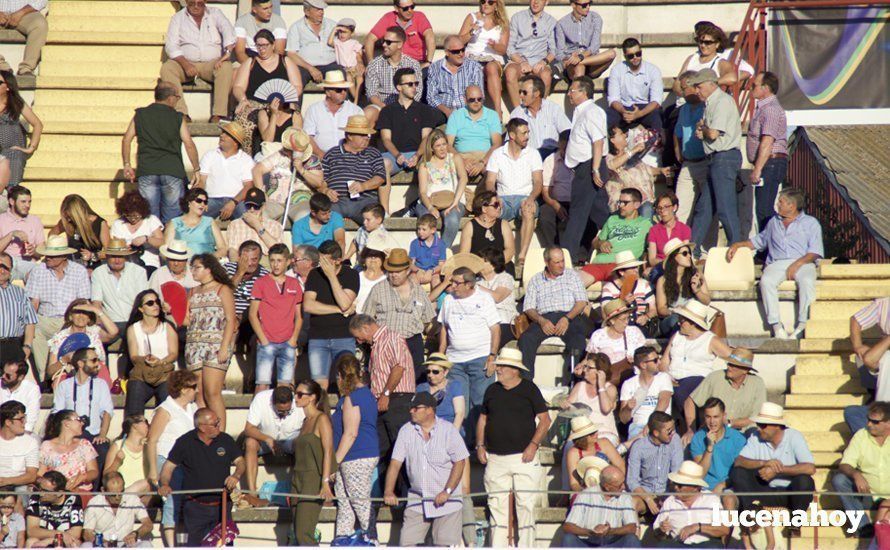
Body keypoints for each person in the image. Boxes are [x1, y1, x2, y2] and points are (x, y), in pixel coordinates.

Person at [477, 348, 551, 547]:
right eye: (498, 365)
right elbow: (482, 420)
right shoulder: (491, 390)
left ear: (514, 369)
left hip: (523, 457)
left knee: (526, 506)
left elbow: (545, 420)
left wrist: (533, 445)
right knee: (496, 508)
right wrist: (480, 445)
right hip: (495, 457)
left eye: (502, 366)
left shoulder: (529, 389)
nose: (498, 369)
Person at [726, 187, 822, 339]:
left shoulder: (811, 223)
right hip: (777, 263)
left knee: (807, 281)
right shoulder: (773, 222)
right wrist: (738, 245)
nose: (777, 205)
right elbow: (758, 241)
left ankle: (803, 325)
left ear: (792, 205)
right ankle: (776, 325)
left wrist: (796, 265)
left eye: (781, 202)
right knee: (766, 282)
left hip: (803, 262)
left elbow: (815, 251)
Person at [383, 391, 469, 546]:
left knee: (443, 546)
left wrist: (447, 491)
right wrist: (389, 490)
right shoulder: (406, 431)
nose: (411, 411)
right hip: (417, 500)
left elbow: (460, 462)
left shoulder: (449, 431)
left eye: (416, 408)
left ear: (430, 410)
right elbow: (395, 463)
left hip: (448, 503)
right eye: (411, 407)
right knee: (406, 544)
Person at [158, 408, 245, 547]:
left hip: (222, 506)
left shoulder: (225, 439)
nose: (219, 425)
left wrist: (236, 475)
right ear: (202, 427)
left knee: (224, 546)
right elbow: (168, 468)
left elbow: (240, 462)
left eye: (218, 422)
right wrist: (164, 484)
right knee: (195, 547)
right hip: (195, 508)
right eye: (215, 424)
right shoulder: (184, 442)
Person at [348, 315, 415, 485]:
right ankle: (390, 492)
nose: (359, 340)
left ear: (365, 328)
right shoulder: (375, 346)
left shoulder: (392, 338)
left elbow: (399, 367)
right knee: (384, 450)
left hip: (397, 399)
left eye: (358, 336)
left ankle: (409, 492)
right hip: (381, 401)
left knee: (400, 447)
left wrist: (385, 393)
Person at [121, 81, 200, 225]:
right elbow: (189, 144)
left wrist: (127, 164)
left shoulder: (141, 114)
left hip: (147, 170)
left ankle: (152, 246)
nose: (177, 100)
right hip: (172, 171)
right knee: (172, 219)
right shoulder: (177, 117)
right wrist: (196, 169)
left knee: (150, 218)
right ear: (170, 98)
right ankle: (168, 246)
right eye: (177, 97)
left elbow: (126, 139)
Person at [438, 266, 500, 435]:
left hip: (480, 358)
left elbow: (495, 329)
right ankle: (463, 445)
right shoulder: (449, 300)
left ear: (469, 284)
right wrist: (441, 355)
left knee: (480, 403)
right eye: (452, 282)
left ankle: (479, 443)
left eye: (456, 283)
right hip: (455, 361)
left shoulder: (485, 299)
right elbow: (444, 328)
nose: (452, 286)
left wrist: (492, 356)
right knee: (459, 405)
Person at [687, 68, 743, 251]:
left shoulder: (721, 102)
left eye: (699, 86)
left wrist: (702, 130)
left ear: (712, 84)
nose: (696, 91)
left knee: (725, 207)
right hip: (715, 159)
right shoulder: (711, 103)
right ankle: (692, 248)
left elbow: (712, 133)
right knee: (704, 207)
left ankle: (735, 248)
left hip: (724, 158)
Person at [730, 402, 817, 518]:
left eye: (763, 425)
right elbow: (739, 461)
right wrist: (764, 463)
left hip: (789, 493)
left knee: (805, 481)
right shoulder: (755, 437)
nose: (759, 428)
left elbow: (810, 468)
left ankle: (796, 521)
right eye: (758, 424)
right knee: (738, 472)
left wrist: (777, 470)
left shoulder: (794, 436)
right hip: (764, 491)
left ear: (776, 425)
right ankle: (751, 512)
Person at [145, 370, 198, 547]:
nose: (196, 390)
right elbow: (152, 440)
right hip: (167, 460)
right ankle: (171, 545)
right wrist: (153, 471)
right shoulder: (165, 409)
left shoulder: (193, 408)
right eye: (193, 387)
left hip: (189, 462)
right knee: (172, 501)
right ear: (183, 389)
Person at [362, 247, 437, 372]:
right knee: (384, 380)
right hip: (385, 342)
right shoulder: (378, 289)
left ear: (407, 271)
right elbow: (367, 317)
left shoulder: (419, 291)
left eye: (398, 271)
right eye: (391, 271)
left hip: (412, 342)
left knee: (414, 381)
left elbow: (428, 318)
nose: (393, 275)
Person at [160, 0, 235, 123]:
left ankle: (219, 114)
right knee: (167, 68)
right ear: (186, 2)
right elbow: (171, 46)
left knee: (226, 67)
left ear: (205, 2)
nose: (195, 6)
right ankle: (181, 112)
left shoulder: (215, 13)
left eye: (199, 3)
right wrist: (185, 64)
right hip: (185, 62)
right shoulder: (178, 18)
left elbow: (228, 31)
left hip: (211, 63)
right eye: (191, 3)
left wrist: (227, 53)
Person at [519, 246, 589, 376]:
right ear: (547, 262)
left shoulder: (572, 275)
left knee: (577, 339)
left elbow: (581, 302)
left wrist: (567, 318)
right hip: (545, 318)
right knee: (526, 339)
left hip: (570, 316)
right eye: (557, 262)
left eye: (562, 261)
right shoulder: (536, 280)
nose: (561, 265)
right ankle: (526, 384)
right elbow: (529, 308)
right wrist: (541, 320)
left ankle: (576, 381)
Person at [232, 29, 303, 156]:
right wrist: (243, 99)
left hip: (282, 103)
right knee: (245, 123)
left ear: (273, 45)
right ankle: (247, 158)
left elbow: (297, 85)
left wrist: (286, 99)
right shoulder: (250, 62)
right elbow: (238, 86)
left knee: (294, 117)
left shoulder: (285, 62)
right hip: (255, 104)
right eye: (259, 46)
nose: (262, 49)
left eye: (265, 45)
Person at [185, 254, 236, 431]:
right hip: (194, 345)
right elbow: (185, 321)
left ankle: (221, 434)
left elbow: (231, 320)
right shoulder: (191, 292)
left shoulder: (223, 290)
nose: (193, 271)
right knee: (199, 395)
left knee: (212, 393)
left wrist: (224, 347)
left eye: (197, 267)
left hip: (216, 344)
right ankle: (206, 431)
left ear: (209, 269)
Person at [331, 354, 379, 539]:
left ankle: (372, 540)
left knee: (359, 503)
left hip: (356, 456)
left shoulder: (354, 397)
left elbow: (351, 433)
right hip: (352, 456)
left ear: (341, 376)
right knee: (345, 503)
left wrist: (334, 462)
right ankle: (343, 539)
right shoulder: (366, 394)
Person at [484, 117, 542, 269]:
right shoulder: (497, 154)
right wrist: (495, 197)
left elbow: (538, 182)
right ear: (512, 135)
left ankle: (522, 255)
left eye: (528, 132)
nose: (527, 136)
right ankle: (491, 256)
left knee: (528, 209)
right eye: (523, 133)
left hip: (525, 197)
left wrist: (531, 198)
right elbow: (490, 182)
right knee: (491, 210)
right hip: (503, 198)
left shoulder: (533, 153)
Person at [563, 76, 609, 265]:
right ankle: (584, 252)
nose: (569, 94)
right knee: (598, 212)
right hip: (585, 167)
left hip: (590, 166)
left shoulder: (592, 111)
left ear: (584, 92)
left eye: (572, 91)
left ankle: (567, 255)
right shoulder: (581, 111)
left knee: (578, 212)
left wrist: (595, 169)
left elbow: (597, 140)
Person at [659, 299, 732, 416]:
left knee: (683, 391)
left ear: (693, 322)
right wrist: (667, 375)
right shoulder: (677, 336)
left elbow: (732, 357)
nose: (679, 323)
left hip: (697, 379)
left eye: (682, 321)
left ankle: (690, 428)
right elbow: (664, 362)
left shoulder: (710, 340)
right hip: (672, 378)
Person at [249, 243, 303, 391]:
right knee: (262, 384)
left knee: (285, 385)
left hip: (287, 341)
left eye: (279, 260)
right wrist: (263, 339)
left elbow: (299, 316)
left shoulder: (294, 283)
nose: (275, 265)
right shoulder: (260, 283)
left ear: (287, 262)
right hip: (267, 340)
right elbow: (253, 314)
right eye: (272, 260)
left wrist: (293, 339)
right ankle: (258, 414)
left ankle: (283, 414)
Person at [833, 401, 890, 539]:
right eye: (868, 420)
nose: (869, 424)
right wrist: (856, 474)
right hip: (868, 494)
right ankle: (863, 527)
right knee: (839, 480)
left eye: (875, 422)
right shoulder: (861, 435)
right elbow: (845, 464)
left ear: (888, 423)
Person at [242, 386, 305, 506]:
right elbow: (249, 429)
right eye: (281, 411)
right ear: (272, 403)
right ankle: (252, 494)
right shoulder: (261, 399)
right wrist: (267, 439)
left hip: (291, 439)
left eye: (288, 410)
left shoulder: (299, 401)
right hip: (264, 438)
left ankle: (297, 491)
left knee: (303, 444)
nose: (285, 414)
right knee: (250, 443)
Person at [320, 115, 387, 224]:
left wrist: (363, 186)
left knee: (374, 220)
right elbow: (321, 181)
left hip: (364, 202)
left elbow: (380, 177)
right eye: (362, 135)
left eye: (368, 135)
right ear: (349, 136)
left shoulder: (373, 153)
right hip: (336, 202)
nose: (367, 138)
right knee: (323, 218)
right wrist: (326, 191)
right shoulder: (331, 154)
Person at [292, 379, 335, 545]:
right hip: (297, 479)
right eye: (296, 393)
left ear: (312, 397)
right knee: (297, 532)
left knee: (305, 534)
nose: (296, 397)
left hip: (312, 480)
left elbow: (328, 451)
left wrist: (325, 483)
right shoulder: (305, 422)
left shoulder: (321, 419)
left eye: (300, 394)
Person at [685, 348, 766, 436]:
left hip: (743, 434)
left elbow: (758, 417)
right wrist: (690, 430)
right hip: (712, 432)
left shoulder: (757, 384)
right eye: (729, 363)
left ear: (745, 370)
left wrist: (730, 423)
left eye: (733, 365)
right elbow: (690, 401)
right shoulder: (714, 378)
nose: (728, 367)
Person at [377, 68, 442, 177]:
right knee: (382, 166)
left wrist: (417, 156)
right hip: (393, 155)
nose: (414, 87)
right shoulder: (387, 111)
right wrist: (397, 155)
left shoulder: (425, 110)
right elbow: (386, 139)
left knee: (427, 167)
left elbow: (426, 138)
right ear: (399, 87)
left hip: (419, 153)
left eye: (416, 83)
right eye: (410, 84)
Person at [124, 290, 178, 419]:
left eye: (157, 302)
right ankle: (133, 430)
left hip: (164, 372)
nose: (155, 306)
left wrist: (160, 362)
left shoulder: (167, 326)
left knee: (167, 402)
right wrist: (145, 359)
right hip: (142, 372)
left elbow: (173, 353)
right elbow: (133, 356)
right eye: (150, 303)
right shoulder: (133, 328)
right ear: (141, 309)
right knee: (135, 393)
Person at [580, 188, 653, 284]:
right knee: (574, 286)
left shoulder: (646, 224)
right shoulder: (612, 219)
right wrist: (601, 243)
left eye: (625, 203)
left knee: (623, 291)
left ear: (637, 205)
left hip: (623, 267)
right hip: (600, 263)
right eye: (620, 202)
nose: (621, 206)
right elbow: (595, 241)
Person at [561, 463, 640, 548]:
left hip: (613, 543)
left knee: (632, 539)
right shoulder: (585, 495)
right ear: (607, 487)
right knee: (569, 538)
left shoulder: (625, 497)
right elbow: (568, 526)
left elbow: (632, 527)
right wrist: (591, 532)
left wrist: (611, 531)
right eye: (620, 485)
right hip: (588, 542)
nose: (624, 487)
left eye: (623, 483)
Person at [653, 460, 730, 546]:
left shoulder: (712, 500)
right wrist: (662, 529)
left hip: (705, 545)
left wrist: (698, 527)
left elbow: (724, 529)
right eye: (675, 483)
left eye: (680, 485)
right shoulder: (670, 502)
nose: (675, 487)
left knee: (714, 546)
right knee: (663, 545)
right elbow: (658, 534)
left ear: (695, 487)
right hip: (679, 544)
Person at [747, 71, 788, 232]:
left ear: (765, 88)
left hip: (770, 162)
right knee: (762, 208)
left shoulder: (770, 109)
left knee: (764, 209)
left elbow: (767, 142)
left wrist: (757, 170)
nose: (750, 88)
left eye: (754, 85)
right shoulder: (764, 108)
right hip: (768, 162)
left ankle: (770, 249)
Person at [45, 301, 117, 386]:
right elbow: (50, 372)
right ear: (70, 316)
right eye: (78, 312)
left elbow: (114, 332)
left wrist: (96, 310)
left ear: (89, 318)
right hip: (70, 373)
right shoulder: (60, 338)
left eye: (85, 313)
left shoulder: (94, 332)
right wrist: (64, 359)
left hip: (96, 372)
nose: (81, 316)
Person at [90, 238, 148, 343]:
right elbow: (97, 302)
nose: (117, 260)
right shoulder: (98, 273)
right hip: (110, 322)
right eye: (113, 256)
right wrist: (99, 321)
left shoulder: (139, 272)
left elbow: (142, 300)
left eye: (120, 256)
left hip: (134, 320)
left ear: (126, 257)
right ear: (107, 257)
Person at [363, 26, 423, 127]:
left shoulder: (413, 64)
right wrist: (386, 108)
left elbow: (417, 91)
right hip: (381, 106)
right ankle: (368, 142)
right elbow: (371, 93)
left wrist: (403, 108)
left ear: (399, 44)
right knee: (368, 113)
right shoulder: (374, 64)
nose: (384, 44)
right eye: (383, 41)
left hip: (407, 105)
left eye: (388, 42)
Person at [626, 411, 683, 516]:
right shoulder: (639, 447)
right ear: (656, 433)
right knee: (631, 504)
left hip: (668, 491)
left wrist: (668, 497)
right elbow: (632, 480)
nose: (672, 434)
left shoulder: (675, 440)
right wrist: (648, 499)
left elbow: (677, 472)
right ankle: (634, 530)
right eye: (669, 431)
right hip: (645, 492)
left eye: (673, 430)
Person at [196, 121, 255, 221]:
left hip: (237, 200)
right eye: (223, 132)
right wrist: (201, 200)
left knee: (249, 219)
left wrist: (233, 203)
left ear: (236, 142)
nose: (221, 135)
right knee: (194, 216)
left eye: (227, 134)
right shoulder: (210, 155)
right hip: (211, 198)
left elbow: (248, 186)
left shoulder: (246, 160)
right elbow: (201, 181)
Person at [458, 0, 508, 117]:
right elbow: (459, 41)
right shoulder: (472, 17)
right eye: (483, 1)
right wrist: (472, 31)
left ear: (496, 5)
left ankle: (498, 111)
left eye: (490, 2)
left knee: (491, 67)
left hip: (493, 58)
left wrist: (494, 45)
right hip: (473, 56)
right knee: (472, 67)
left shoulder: (502, 23)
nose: (485, 4)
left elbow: (503, 49)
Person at [688, 397, 746, 498]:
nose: (712, 421)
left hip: (729, 486)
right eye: (708, 417)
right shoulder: (698, 438)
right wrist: (709, 447)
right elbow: (700, 474)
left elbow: (741, 472)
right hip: (704, 489)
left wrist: (723, 485)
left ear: (724, 416)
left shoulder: (738, 439)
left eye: (716, 417)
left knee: (729, 498)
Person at [847, 298, 890, 432]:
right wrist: (858, 346)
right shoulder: (884, 304)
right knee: (852, 413)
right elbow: (856, 320)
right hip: (882, 354)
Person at [504, 0, 557, 110]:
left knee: (546, 75)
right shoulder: (517, 18)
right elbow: (510, 48)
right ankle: (518, 112)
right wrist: (522, 62)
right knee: (510, 72)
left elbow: (553, 51)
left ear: (546, 2)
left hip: (539, 60)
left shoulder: (551, 22)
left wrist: (544, 62)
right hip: (519, 60)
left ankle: (539, 111)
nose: (535, 2)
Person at [603, 127, 666, 218]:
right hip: (625, 206)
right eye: (621, 134)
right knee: (647, 209)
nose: (625, 135)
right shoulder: (608, 157)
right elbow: (612, 166)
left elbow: (646, 169)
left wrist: (661, 170)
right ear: (612, 140)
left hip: (646, 201)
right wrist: (633, 150)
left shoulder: (630, 156)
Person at [672, 71, 708, 225]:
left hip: (705, 162)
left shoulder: (707, 106)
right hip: (688, 163)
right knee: (679, 208)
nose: (681, 92)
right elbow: (677, 132)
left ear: (695, 87)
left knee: (706, 209)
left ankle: (707, 248)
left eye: (684, 88)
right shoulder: (684, 108)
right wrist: (678, 153)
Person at [583, 299, 646, 386]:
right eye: (623, 319)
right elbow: (588, 359)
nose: (626, 322)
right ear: (612, 321)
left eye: (628, 318)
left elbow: (646, 355)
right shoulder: (598, 335)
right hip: (605, 381)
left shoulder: (634, 332)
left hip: (632, 380)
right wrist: (581, 366)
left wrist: (636, 360)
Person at [82, 471, 153, 548]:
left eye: (121, 492)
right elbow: (87, 534)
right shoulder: (94, 503)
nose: (117, 497)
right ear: (103, 490)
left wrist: (135, 534)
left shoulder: (132, 499)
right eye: (113, 494)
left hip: (127, 545)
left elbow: (148, 524)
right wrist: (103, 542)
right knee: (86, 546)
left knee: (146, 545)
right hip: (102, 545)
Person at [303, 70, 364, 158]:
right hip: (320, 156)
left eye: (345, 89)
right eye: (339, 90)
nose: (343, 92)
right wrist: (321, 155)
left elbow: (362, 138)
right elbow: (308, 137)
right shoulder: (313, 110)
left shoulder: (355, 110)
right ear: (327, 92)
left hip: (349, 157)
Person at [605, 38, 663, 131]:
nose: (635, 57)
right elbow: (613, 99)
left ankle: (657, 144)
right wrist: (624, 112)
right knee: (609, 118)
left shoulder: (653, 70)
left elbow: (656, 101)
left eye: (638, 54)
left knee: (656, 117)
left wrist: (639, 114)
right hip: (623, 107)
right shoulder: (616, 70)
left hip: (645, 107)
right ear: (625, 56)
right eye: (631, 56)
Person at [445, 85, 502, 179]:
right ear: (465, 99)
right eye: (472, 99)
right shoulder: (455, 116)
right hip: (462, 156)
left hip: (485, 155)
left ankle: (487, 193)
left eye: (479, 99)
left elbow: (497, 144)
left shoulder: (492, 115)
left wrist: (482, 162)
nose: (476, 102)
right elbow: (448, 145)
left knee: (492, 176)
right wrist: (461, 160)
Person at [509, 75, 571, 160]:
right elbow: (509, 140)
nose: (521, 96)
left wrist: (563, 148)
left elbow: (566, 131)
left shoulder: (553, 109)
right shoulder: (517, 113)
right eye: (520, 92)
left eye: (524, 92)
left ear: (537, 93)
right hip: (527, 157)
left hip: (552, 155)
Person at [655, 238, 709, 335]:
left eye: (689, 253)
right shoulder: (662, 280)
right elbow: (661, 308)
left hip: (693, 318)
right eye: (684, 253)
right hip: (673, 319)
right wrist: (675, 311)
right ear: (674, 257)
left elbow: (707, 300)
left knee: (696, 320)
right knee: (676, 320)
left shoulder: (697, 275)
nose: (689, 256)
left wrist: (697, 291)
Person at [38, 410, 99, 493]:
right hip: (56, 493)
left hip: (81, 493)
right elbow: (40, 474)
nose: (82, 423)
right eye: (78, 420)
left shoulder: (84, 444)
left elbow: (94, 471)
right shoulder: (47, 446)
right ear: (67, 424)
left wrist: (82, 477)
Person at [619, 346, 673, 439]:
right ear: (643, 365)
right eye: (655, 360)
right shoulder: (628, 384)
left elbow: (664, 401)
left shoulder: (663, 378)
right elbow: (624, 419)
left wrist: (651, 424)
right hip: (638, 427)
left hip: (661, 426)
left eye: (659, 358)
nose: (659, 362)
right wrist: (628, 408)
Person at [596, 251, 656, 336]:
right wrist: (622, 303)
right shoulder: (609, 288)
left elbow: (653, 310)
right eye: (632, 268)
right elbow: (605, 314)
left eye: (636, 267)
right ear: (621, 272)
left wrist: (646, 317)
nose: (636, 270)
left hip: (640, 325)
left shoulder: (644, 285)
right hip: (619, 326)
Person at [553, 0, 615, 81]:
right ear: (573, 5)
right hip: (571, 65)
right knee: (579, 68)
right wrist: (571, 58)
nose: (588, 7)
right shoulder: (561, 23)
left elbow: (595, 46)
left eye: (590, 3)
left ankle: (577, 63)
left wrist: (580, 57)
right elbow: (559, 53)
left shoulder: (595, 18)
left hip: (591, 62)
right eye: (584, 5)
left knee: (612, 53)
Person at [672, 24, 738, 99]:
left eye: (708, 42)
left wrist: (706, 83)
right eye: (701, 41)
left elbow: (732, 78)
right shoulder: (692, 58)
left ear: (717, 44)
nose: (703, 45)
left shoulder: (720, 62)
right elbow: (677, 84)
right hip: (686, 103)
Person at [566, 353, 619, 445]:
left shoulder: (610, 389)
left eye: (589, 368)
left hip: (604, 433)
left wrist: (601, 386)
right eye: (585, 367)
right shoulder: (579, 386)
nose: (585, 370)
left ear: (600, 371)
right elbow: (567, 408)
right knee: (570, 449)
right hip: (582, 433)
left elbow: (606, 409)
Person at [364, 0, 435, 67]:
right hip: (393, 64)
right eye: (405, 8)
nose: (410, 10)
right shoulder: (388, 18)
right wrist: (371, 65)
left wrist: (428, 62)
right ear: (396, 9)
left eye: (412, 7)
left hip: (417, 63)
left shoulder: (419, 16)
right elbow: (369, 39)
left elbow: (430, 36)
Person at [0, 71, 41, 186]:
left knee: (14, 157)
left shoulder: (16, 102)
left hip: (11, 153)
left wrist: (31, 148)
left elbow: (37, 124)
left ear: (8, 86)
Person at [109, 192, 166, 276]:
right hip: (126, 264)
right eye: (128, 216)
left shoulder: (151, 220)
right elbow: (114, 246)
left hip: (149, 264)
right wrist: (126, 247)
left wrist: (146, 239)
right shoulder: (118, 223)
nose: (133, 219)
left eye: (136, 216)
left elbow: (162, 243)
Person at [48, 194, 110, 271]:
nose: (69, 220)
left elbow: (109, 252)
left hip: (92, 269)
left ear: (78, 213)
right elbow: (51, 235)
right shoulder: (67, 222)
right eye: (67, 217)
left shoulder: (100, 224)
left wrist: (93, 256)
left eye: (70, 217)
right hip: (71, 268)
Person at [427, 37, 485, 118]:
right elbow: (431, 96)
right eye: (456, 51)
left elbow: (479, 95)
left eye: (463, 50)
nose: (461, 54)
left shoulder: (474, 67)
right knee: (427, 120)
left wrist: (464, 112)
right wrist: (446, 111)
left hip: (468, 110)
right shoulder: (434, 68)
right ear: (447, 52)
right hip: (442, 111)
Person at [458, 191, 516, 271]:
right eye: (496, 205)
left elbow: (510, 250)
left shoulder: (504, 224)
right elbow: (464, 255)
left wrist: (494, 265)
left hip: (500, 265)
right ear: (484, 208)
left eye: (499, 204)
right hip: (478, 268)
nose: (499, 207)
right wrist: (482, 267)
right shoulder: (470, 226)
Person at [564, 415, 624, 493]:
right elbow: (574, 483)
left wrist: (618, 485)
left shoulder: (605, 443)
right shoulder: (573, 453)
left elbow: (621, 466)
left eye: (595, 431)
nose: (596, 433)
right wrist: (586, 493)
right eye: (592, 433)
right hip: (585, 491)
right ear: (583, 438)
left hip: (610, 488)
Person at [286, 0, 339, 88]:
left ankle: (344, 102)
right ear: (307, 11)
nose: (321, 12)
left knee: (341, 74)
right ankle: (293, 102)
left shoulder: (332, 25)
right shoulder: (296, 27)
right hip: (305, 66)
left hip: (330, 64)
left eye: (322, 9)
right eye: (318, 10)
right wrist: (310, 68)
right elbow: (291, 54)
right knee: (296, 79)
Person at [164, 188, 227, 259]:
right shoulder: (175, 223)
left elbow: (222, 249)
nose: (202, 204)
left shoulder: (210, 222)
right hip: (182, 264)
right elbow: (166, 250)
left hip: (206, 265)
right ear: (189, 202)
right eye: (199, 201)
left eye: (205, 202)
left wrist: (208, 259)